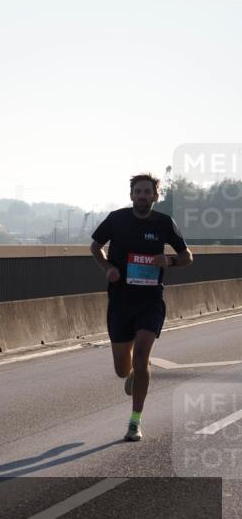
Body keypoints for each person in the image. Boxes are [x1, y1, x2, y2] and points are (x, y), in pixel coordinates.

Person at [90, 173, 193, 442]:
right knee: (123, 369)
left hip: (150, 302)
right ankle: (133, 374)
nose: (142, 196)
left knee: (143, 354)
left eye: (147, 192)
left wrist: (169, 261)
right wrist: (108, 267)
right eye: (138, 191)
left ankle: (135, 422)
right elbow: (94, 246)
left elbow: (187, 256)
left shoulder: (163, 223)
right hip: (120, 301)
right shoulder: (116, 219)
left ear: (155, 196)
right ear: (132, 195)